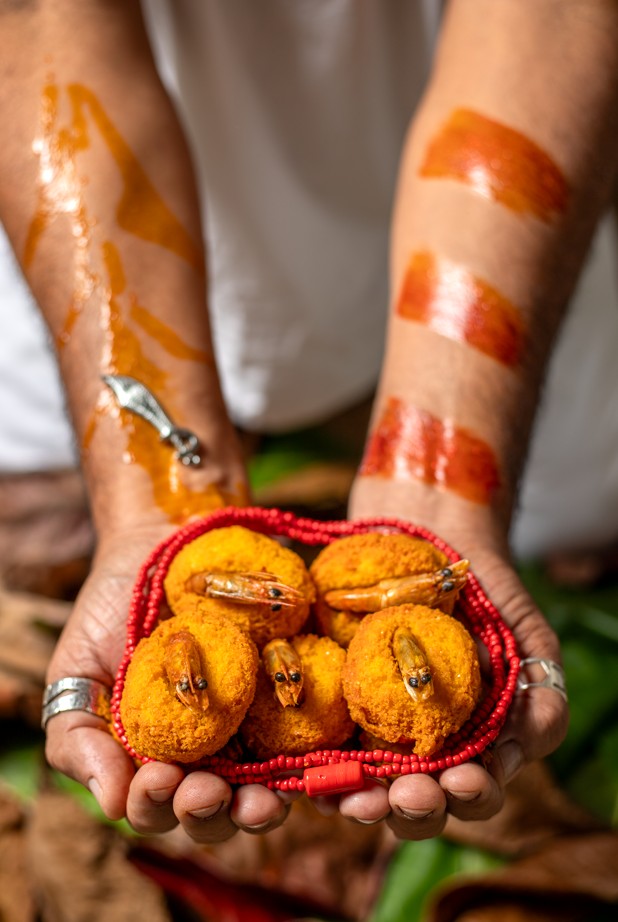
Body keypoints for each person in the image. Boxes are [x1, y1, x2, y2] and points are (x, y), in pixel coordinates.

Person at [0, 0, 616, 844]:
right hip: (124, 236)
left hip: (459, 213)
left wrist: (442, 479)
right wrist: (151, 499)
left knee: (577, 500)